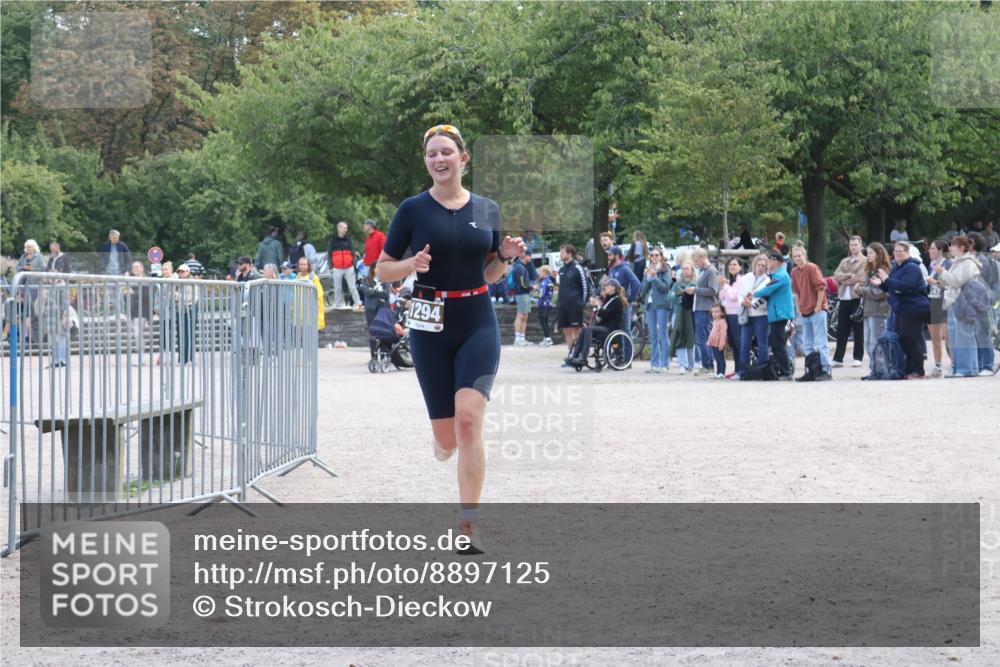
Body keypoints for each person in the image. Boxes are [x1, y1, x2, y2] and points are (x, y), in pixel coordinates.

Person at [375, 123, 525, 555]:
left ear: (463, 159)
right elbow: (382, 270)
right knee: (447, 440)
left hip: (476, 319)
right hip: (428, 323)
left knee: (468, 420)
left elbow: (490, 273)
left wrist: (508, 259)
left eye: (446, 152)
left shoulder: (487, 209)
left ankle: (468, 524)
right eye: (431, 154)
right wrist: (410, 264)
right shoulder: (412, 210)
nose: (438, 160)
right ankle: (443, 443)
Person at [869, 242, 930, 378]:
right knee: (903, 339)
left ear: (907, 252)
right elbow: (892, 287)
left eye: (901, 251)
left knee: (911, 339)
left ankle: (918, 371)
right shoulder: (897, 267)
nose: (897, 254)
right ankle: (908, 369)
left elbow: (905, 286)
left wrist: (887, 280)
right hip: (902, 308)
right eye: (895, 251)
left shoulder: (912, 267)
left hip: (915, 308)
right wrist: (882, 284)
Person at [934, 236, 981, 377]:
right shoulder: (958, 262)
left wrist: (942, 272)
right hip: (954, 302)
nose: (950, 248)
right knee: (955, 337)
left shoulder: (967, 263)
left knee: (964, 337)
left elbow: (956, 282)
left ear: (962, 248)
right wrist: (941, 277)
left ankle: (967, 369)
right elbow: (949, 283)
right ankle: (959, 368)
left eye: (954, 245)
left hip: (963, 303)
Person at [790, 246, 832, 381]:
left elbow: (821, 287)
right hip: (804, 310)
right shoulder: (794, 271)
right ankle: (812, 369)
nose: (798, 258)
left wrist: (819, 305)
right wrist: (798, 308)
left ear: (804, 255)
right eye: (795, 256)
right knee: (807, 343)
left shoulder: (812, 268)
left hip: (817, 309)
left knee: (821, 342)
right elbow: (796, 292)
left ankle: (826, 370)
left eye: (800, 255)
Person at [751, 251, 795, 380]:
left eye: (769, 261)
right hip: (776, 315)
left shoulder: (781, 275)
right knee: (776, 345)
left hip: (781, 315)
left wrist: (754, 293)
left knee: (779, 345)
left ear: (775, 262)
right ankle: (783, 370)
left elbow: (767, 290)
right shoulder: (775, 275)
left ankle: (787, 372)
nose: (767, 264)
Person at [568, 279, 626, 365]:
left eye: (607, 286)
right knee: (585, 330)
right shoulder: (609, 299)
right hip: (603, 326)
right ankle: (575, 356)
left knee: (588, 329)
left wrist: (598, 306)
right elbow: (601, 313)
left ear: (613, 288)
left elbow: (606, 313)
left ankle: (583, 357)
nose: (604, 287)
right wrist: (597, 307)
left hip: (610, 328)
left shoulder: (617, 300)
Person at [831, 235, 868, 367]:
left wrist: (844, 278)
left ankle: (858, 356)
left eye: (856, 245)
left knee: (858, 328)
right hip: (843, 298)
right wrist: (848, 275)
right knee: (842, 329)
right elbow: (836, 275)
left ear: (861, 245)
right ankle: (838, 358)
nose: (853, 247)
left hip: (857, 297)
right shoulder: (844, 260)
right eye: (851, 245)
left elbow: (860, 277)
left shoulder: (865, 260)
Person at [854, 243, 892, 365]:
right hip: (868, 310)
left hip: (878, 310)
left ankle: (881, 369)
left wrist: (861, 290)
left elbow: (880, 292)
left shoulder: (883, 270)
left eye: (871, 253)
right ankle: (874, 368)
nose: (868, 255)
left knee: (876, 342)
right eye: (868, 252)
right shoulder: (871, 270)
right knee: (868, 343)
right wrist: (861, 288)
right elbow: (869, 290)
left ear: (879, 254)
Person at [968, 232, 997, 374]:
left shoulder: (981, 260)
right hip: (970, 302)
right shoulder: (969, 259)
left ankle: (987, 365)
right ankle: (980, 364)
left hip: (981, 302)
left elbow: (983, 284)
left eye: (969, 242)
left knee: (983, 334)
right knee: (975, 335)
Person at [557, 243, 592, 363]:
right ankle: (571, 354)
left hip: (575, 305)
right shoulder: (561, 270)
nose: (560, 255)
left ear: (569, 254)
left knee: (577, 330)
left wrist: (582, 302)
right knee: (566, 330)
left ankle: (580, 354)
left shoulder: (578, 268)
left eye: (562, 252)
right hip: (563, 305)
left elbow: (585, 287)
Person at [737, 254, 771, 376]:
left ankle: (763, 371)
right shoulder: (747, 277)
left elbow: (765, 297)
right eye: (759, 265)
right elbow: (739, 293)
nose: (760, 268)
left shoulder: (767, 280)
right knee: (744, 344)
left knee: (762, 344)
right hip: (747, 315)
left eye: (763, 265)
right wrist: (742, 301)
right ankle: (743, 371)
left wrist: (752, 303)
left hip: (761, 315)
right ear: (754, 265)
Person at [687, 248, 719, 376]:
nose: (695, 263)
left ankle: (708, 365)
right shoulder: (705, 271)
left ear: (702, 257)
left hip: (706, 309)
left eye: (696, 260)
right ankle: (708, 364)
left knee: (702, 338)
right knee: (702, 338)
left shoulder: (711, 271)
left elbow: (713, 290)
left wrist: (695, 290)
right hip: (700, 308)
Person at [640, 248, 673, 373]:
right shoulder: (648, 269)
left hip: (662, 304)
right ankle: (654, 364)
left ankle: (665, 363)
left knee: (663, 335)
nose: (654, 257)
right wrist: (648, 278)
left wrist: (654, 278)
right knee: (653, 336)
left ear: (661, 257)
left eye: (656, 255)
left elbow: (665, 287)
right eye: (652, 255)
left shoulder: (666, 269)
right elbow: (643, 289)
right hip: (650, 305)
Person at [924, 240, 953, 377]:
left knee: (948, 336)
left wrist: (934, 282)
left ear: (941, 250)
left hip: (945, 302)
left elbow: (950, 284)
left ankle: (955, 363)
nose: (930, 251)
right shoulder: (931, 265)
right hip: (933, 301)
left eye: (933, 248)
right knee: (935, 337)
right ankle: (938, 366)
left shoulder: (948, 264)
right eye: (930, 249)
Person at [717, 258, 744, 378]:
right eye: (730, 264)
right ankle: (736, 369)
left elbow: (733, 297)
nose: (732, 266)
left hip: (735, 314)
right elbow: (722, 297)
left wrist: (725, 286)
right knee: (732, 343)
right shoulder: (730, 282)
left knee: (738, 342)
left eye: (735, 264)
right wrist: (725, 286)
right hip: (727, 313)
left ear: (740, 267)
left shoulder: (741, 281)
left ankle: (741, 369)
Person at [327, 221, 363, 310]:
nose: (345, 230)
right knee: (337, 287)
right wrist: (331, 266)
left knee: (352, 286)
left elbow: (353, 252)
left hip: (349, 267)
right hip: (337, 268)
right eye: (344, 228)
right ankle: (337, 304)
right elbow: (329, 254)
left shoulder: (349, 239)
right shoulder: (332, 240)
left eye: (346, 228)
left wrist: (353, 264)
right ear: (338, 228)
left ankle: (358, 302)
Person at [669, 261, 697, 374]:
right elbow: (670, 298)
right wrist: (680, 298)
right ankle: (683, 365)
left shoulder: (695, 283)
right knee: (679, 337)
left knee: (690, 338)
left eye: (687, 268)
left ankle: (691, 364)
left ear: (692, 270)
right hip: (678, 312)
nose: (685, 271)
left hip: (691, 313)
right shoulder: (677, 284)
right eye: (683, 268)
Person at [127, 260, 155, 366]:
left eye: (137, 267)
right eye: (134, 267)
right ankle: (141, 356)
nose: (135, 269)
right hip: (134, 311)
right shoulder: (130, 281)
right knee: (137, 334)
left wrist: (133, 294)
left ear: (142, 268)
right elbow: (127, 298)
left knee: (138, 333)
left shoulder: (146, 280)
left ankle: (141, 358)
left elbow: (146, 296)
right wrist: (127, 294)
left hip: (144, 310)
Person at [607, 247, 640, 331]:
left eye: (610, 255)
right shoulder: (611, 269)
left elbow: (636, 283)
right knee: (618, 328)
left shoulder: (625, 268)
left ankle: (628, 344)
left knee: (626, 329)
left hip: (623, 303)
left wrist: (630, 299)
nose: (608, 257)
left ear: (617, 256)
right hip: (615, 303)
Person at [174, 263, 199, 365]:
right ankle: (182, 359)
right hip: (181, 310)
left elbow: (190, 298)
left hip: (190, 310)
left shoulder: (192, 282)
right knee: (181, 335)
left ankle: (190, 359)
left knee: (189, 335)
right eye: (179, 271)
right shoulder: (178, 282)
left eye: (183, 271)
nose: (180, 273)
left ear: (188, 272)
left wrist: (176, 295)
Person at [510, 254, 537, 346]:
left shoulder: (521, 266)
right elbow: (522, 283)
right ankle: (517, 339)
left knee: (525, 316)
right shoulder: (519, 267)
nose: (530, 258)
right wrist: (531, 286)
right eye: (529, 256)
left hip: (525, 294)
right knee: (520, 315)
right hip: (521, 293)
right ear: (525, 256)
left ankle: (522, 338)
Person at [293, 256, 326, 332]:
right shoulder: (297, 277)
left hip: (309, 308)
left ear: (308, 266)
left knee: (309, 330)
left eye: (304, 264)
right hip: (299, 308)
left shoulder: (313, 277)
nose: (302, 266)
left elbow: (319, 293)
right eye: (300, 264)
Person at [706, 303, 728, 379]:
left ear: (722, 313)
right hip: (714, 343)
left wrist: (721, 344)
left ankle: (722, 372)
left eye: (717, 312)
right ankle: (718, 372)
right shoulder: (715, 321)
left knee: (720, 358)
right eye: (713, 312)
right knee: (717, 358)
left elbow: (723, 334)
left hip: (719, 343)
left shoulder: (722, 322)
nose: (714, 314)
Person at [536, 265, 555, 347]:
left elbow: (542, 294)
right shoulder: (550, 281)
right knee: (545, 321)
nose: (539, 274)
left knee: (543, 321)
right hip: (548, 304)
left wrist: (536, 300)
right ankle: (547, 337)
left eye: (540, 272)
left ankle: (547, 338)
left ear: (544, 272)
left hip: (543, 304)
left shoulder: (544, 281)